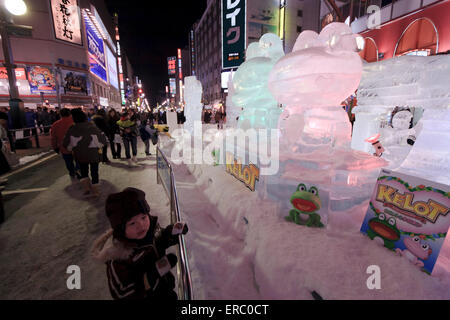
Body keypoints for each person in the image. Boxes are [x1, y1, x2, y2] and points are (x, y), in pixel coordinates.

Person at [91, 187, 188, 300]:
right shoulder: (117, 258)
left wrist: (170, 233)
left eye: (143, 217)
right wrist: (151, 276)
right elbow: (120, 293)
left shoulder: (149, 231)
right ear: (120, 229)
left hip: (166, 292)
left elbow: (159, 240)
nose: (141, 225)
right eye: (132, 223)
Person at [63, 108, 107, 197]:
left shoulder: (72, 129)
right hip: (93, 154)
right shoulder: (92, 127)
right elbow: (102, 141)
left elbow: (66, 144)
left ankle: (86, 188)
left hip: (80, 154)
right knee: (94, 171)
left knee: (83, 171)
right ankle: (95, 190)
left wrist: (72, 148)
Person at [50, 108, 80, 181]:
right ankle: (79, 171)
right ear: (70, 114)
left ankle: (72, 172)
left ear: (60, 114)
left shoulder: (55, 124)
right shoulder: (76, 122)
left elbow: (53, 138)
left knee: (68, 161)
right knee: (78, 160)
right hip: (77, 146)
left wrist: (55, 147)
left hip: (64, 147)